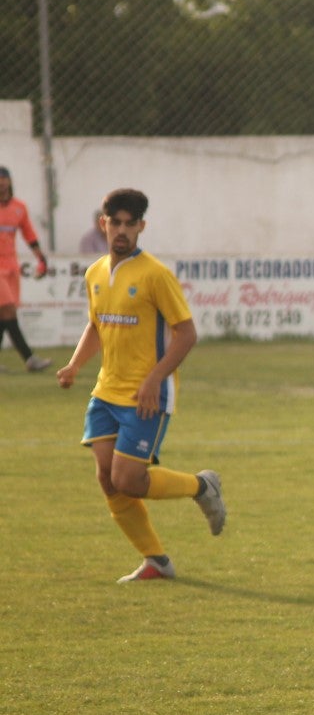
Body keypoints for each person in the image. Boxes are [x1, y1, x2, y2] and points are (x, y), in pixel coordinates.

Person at [56, 188, 226, 583]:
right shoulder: (95, 272)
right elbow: (98, 325)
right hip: (106, 392)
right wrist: (75, 364)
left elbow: (186, 334)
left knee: (129, 480)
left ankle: (202, 486)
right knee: (106, 477)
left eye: (130, 224)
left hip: (146, 395)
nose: (122, 230)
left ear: (141, 227)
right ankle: (156, 561)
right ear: (104, 224)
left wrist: (154, 378)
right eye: (115, 222)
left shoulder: (155, 275)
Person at [0, 165, 52, 372]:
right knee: (8, 310)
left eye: (4, 181)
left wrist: (41, 258)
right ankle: (30, 359)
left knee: (5, 314)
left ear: (10, 183)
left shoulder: (19, 208)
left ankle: (30, 359)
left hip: (11, 266)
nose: (2, 185)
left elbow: (28, 233)